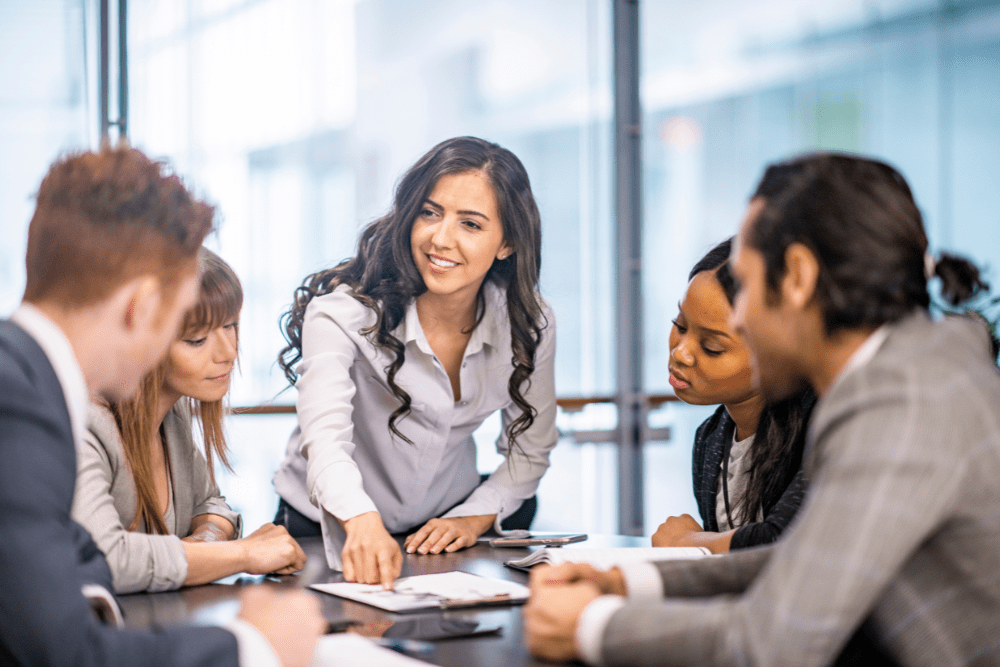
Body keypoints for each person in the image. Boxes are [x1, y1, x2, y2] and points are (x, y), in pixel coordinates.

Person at [524, 152, 1000, 666]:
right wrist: (625, 581)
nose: (741, 319)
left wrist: (591, 626)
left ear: (796, 276)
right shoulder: (913, 370)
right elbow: (803, 562)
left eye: (745, 285)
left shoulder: (904, 402)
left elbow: (774, 643)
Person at [0, 145, 323, 667]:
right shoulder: (19, 407)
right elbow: (66, 654)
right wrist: (255, 644)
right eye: (182, 324)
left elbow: (77, 575)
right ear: (142, 308)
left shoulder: (27, 385)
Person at [272, 136, 558, 588]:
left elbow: (531, 448)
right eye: (429, 212)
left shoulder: (528, 322)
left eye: (470, 224)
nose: (440, 238)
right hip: (326, 523)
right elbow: (325, 442)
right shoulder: (343, 313)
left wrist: (471, 518)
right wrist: (360, 519)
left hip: (444, 529)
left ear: (507, 244)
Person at [72, 248, 306, 594]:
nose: (228, 351)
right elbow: (105, 558)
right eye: (197, 339)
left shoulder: (173, 411)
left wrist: (204, 545)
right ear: (142, 340)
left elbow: (212, 505)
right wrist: (241, 553)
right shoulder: (85, 423)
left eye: (231, 325)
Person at [653, 238, 815, 554]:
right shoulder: (710, 439)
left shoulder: (822, 429)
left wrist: (686, 542)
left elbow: (786, 545)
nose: (680, 353)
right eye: (680, 325)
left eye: (712, 346)